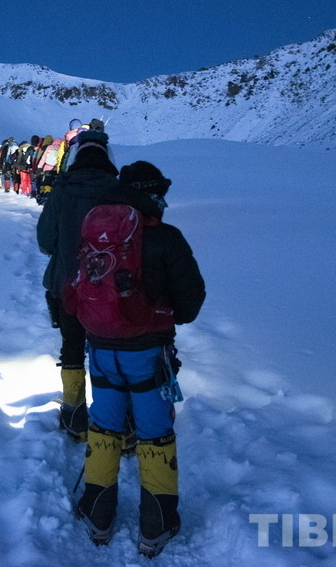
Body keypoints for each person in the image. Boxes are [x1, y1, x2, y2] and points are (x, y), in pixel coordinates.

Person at [73, 161, 206, 558]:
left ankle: (98, 514)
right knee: (154, 432)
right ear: (153, 195)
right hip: (149, 352)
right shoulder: (166, 238)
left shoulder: (94, 234)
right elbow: (190, 304)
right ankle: (156, 523)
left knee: (105, 425)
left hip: (100, 348)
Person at [36, 136, 120, 443]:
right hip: (109, 288)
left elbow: (45, 241)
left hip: (68, 286)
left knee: (72, 348)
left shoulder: (63, 190)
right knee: (109, 350)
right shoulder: (117, 190)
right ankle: (115, 418)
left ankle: (74, 414)